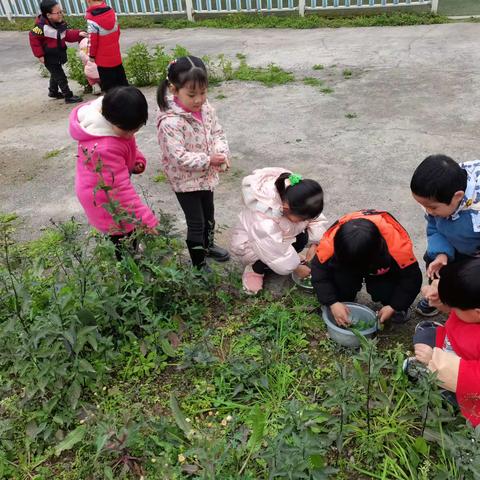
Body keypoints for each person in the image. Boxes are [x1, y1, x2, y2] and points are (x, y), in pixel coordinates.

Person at [157, 56, 231, 270]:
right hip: (185, 182)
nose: (198, 99)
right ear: (173, 89)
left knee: (209, 216)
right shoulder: (170, 121)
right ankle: (198, 263)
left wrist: (221, 153)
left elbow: (217, 132)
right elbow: (178, 157)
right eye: (191, 94)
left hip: (206, 176)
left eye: (203, 92)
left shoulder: (206, 108)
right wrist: (209, 159)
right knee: (196, 223)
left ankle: (208, 246)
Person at [69, 86, 158, 247]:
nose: (130, 135)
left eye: (135, 130)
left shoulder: (116, 124)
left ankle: (132, 259)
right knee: (122, 236)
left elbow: (127, 144)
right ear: (108, 118)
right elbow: (120, 190)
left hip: (110, 188)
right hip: (104, 197)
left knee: (128, 233)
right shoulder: (104, 148)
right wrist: (145, 219)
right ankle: (128, 268)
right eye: (126, 130)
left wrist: (135, 159)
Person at [311, 210, 422, 326]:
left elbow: (412, 280)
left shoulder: (398, 250)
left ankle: (394, 307)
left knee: (383, 288)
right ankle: (343, 302)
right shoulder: (329, 246)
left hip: (380, 265)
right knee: (342, 280)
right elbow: (319, 275)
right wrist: (332, 302)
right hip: (352, 261)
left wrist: (394, 306)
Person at [230, 168, 327, 294]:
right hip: (252, 245)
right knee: (269, 257)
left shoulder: (296, 198)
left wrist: (316, 243)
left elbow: (315, 219)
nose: (305, 220)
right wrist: (296, 268)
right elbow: (272, 252)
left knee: (302, 238)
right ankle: (254, 270)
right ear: (286, 208)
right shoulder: (263, 220)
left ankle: (291, 255)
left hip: (277, 237)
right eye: (303, 218)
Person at [410, 258, 480, 427]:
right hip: (453, 345)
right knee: (424, 335)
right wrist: (440, 299)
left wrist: (436, 360)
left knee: (448, 398)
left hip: (467, 384)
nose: (452, 311)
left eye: (455, 308)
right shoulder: (473, 305)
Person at [410, 154, 480, 316]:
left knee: (469, 283)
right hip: (453, 246)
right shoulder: (440, 197)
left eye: (432, 207)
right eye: (423, 206)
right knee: (435, 265)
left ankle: (463, 309)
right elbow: (434, 228)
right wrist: (442, 253)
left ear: (457, 197)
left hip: (474, 257)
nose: (428, 211)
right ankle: (438, 297)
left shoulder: (476, 209)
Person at [29, 0, 85, 104]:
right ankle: (68, 96)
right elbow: (33, 39)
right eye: (58, 13)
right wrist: (39, 55)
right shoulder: (40, 28)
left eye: (61, 11)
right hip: (48, 56)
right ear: (48, 15)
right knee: (60, 76)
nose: (61, 14)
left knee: (55, 74)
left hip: (59, 53)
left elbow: (67, 35)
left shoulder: (60, 24)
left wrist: (78, 34)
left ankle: (53, 92)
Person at [85, 0, 128, 92]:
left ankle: (112, 103)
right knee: (122, 80)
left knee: (109, 86)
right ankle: (128, 100)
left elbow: (93, 40)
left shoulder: (92, 18)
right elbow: (118, 31)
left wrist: (91, 55)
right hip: (116, 54)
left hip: (102, 59)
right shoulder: (111, 12)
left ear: (88, 1)